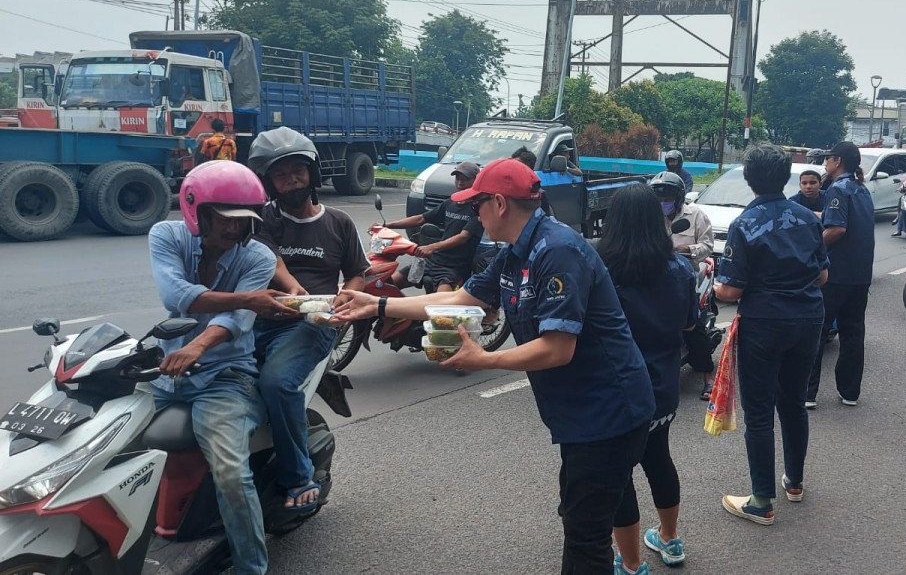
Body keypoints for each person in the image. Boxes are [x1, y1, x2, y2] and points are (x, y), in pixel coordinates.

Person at [330, 158, 654, 572]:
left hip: (609, 410)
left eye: (476, 203)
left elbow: (558, 348)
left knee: (584, 534)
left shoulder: (557, 252)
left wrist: (486, 359)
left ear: (499, 203)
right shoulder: (517, 251)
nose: (472, 213)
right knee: (591, 506)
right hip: (580, 412)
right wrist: (377, 304)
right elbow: (461, 299)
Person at [147, 160, 300, 575]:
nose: (235, 229)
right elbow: (176, 295)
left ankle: (252, 568)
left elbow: (234, 323)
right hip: (166, 370)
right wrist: (248, 298)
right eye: (226, 219)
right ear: (198, 210)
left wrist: (198, 346)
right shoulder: (166, 235)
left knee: (231, 472)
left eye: (243, 221)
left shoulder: (258, 256)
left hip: (225, 378)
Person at [245, 127, 369, 512]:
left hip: (310, 326)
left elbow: (357, 273)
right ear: (270, 183)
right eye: (280, 176)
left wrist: (343, 302)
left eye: (297, 171)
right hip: (258, 317)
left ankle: (299, 477)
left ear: (312, 174)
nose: (290, 180)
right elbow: (272, 260)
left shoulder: (339, 222)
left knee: (278, 383)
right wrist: (293, 289)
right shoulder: (260, 219)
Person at [714, 144, 827, 526]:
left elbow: (730, 291)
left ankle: (761, 500)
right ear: (787, 176)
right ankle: (794, 483)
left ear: (749, 179)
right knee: (793, 402)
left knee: (759, 413)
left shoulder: (745, 224)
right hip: (809, 319)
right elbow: (822, 275)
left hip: (764, 323)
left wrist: (712, 285)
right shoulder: (809, 219)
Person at [595, 184, 698, 574]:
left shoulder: (601, 269)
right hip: (663, 386)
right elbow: (690, 322)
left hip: (617, 391)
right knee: (659, 459)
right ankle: (670, 540)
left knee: (619, 474)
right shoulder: (679, 268)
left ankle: (632, 562)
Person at [808, 141, 874, 408]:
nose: (825, 163)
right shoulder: (861, 189)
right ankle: (850, 392)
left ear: (838, 161)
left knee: (816, 332)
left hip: (836, 276)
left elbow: (837, 229)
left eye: (828, 159)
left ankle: (807, 394)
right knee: (853, 334)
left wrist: (812, 248)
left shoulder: (837, 188)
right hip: (860, 275)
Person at [650, 170, 718, 398]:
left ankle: (708, 377)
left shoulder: (695, 215)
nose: (662, 203)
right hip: (654, 276)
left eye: (667, 198)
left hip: (685, 277)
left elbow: (708, 245)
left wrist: (686, 249)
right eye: (658, 199)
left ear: (678, 197)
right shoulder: (650, 216)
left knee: (693, 325)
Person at [379, 161, 484, 292]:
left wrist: (431, 247)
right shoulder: (451, 202)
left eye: (465, 179)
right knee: (387, 285)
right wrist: (387, 225)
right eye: (458, 178)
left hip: (454, 267)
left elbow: (463, 237)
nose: (460, 183)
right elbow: (421, 218)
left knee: (441, 305)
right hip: (433, 261)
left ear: (476, 180)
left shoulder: (478, 209)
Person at [512, 145, 555, 215]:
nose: (512, 169)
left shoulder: (538, 194)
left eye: (517, 166)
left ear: (528, 169)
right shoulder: (503, 189)